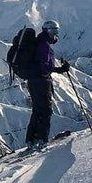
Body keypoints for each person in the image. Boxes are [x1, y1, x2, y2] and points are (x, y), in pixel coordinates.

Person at [25, 20, 70, 150]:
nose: (55, 35)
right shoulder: (43, 45)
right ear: (46, 31)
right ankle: (42, 140)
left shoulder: (39, 42)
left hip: (33, 81)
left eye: (56, 31)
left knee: (37, 110)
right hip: (41, 81)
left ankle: (31, 140)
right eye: (52, 31)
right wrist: (60, 69)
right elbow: (44, 67)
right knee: (45, 111)